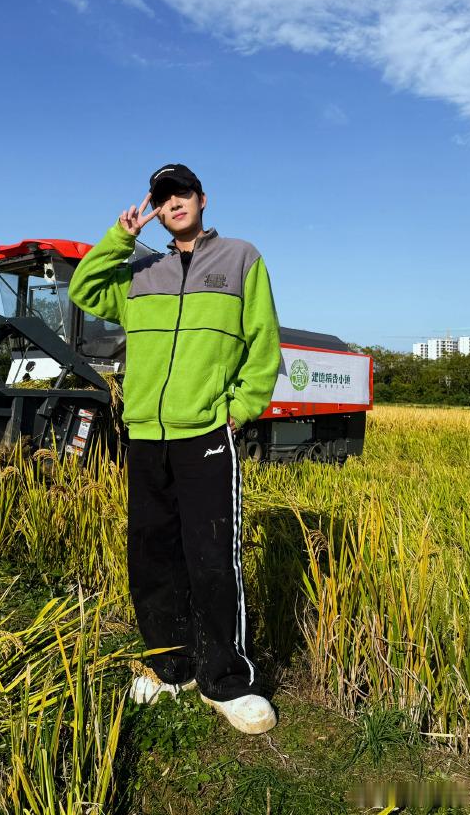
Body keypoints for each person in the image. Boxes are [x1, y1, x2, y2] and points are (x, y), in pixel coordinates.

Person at [68, 164, 282, 734]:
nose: (173, 202)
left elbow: (263, 342)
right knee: (152, 555)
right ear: (156, 209)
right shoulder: (142, 268)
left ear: (202, 199)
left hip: (205, 434)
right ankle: (173, 668)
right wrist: (120, 237)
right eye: (162, 197)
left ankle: (227, 682)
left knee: (213, 557)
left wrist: (239, 410)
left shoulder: (241, 258)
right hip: (144, 433)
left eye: (181, 193)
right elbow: (83, 289)